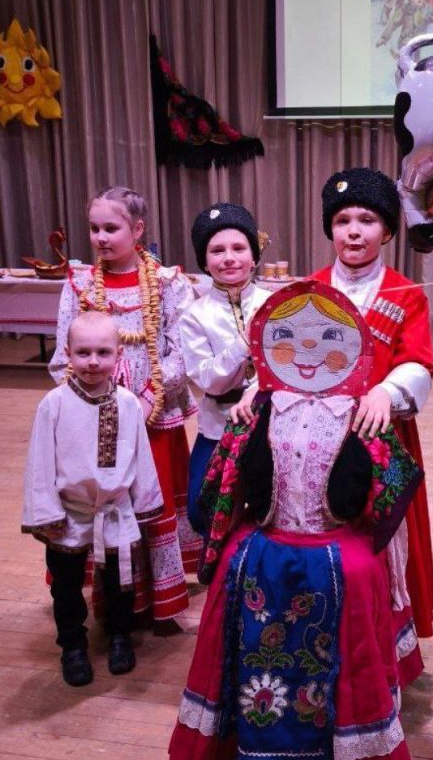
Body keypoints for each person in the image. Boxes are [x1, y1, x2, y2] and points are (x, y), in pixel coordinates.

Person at [169, 281, 422, 760]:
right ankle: (251, 743)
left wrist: (386, 567)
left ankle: (335, 759)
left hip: (334, 552)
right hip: (267, 544)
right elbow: (220, 491)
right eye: (291, 339)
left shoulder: (361, 410)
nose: (307, 353)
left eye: (327, 338)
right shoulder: (258, 407)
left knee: (348, 611)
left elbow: (393, 494)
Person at [49, 185, 198, 627]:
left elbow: (182, 350)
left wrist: (150, 396)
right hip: (94, 419)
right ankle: (116, 606)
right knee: (104, 503)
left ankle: (161, 603)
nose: (100, 237)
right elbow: (62, 355)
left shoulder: (168, 283)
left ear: (137, 229)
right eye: (94, 228)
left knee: (151, 502)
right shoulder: (78, 285)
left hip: (154, 416)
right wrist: (91, 402)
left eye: (111, 228)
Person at [311, 168, 433, 679]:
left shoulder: (406, 293)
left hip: (382, 439)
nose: (354, 231)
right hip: (316, 441)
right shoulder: (310, 289)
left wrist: (387, 390)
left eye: (367, 220)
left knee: (378, 543)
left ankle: (377, 655)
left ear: (387, 230)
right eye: (343, 220)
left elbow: (419, 362)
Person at [22, 312, 164, 686]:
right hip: (68, 513)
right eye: (83, 352)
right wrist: (47, 514)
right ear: (67, 353)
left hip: (114, 510)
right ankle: (72, 645)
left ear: (119, 354)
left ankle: (120, 636)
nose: (93, 362)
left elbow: (141, 457)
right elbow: (40, 462)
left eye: (103, 352)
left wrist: (143, 504)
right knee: (66, 585)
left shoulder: (129, 403)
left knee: (119, 583)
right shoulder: (54, 404)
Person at [179, 202, 269, 535]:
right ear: (205, 262)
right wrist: (244, 341)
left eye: (238, 248)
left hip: (272, 424)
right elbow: (210, 381)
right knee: (201, 511)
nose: (228, 258)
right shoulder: (195, 315)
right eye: (217, 251)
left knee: (268, 505)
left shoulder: (274, 304)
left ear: (254, 256)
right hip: (218, 425)